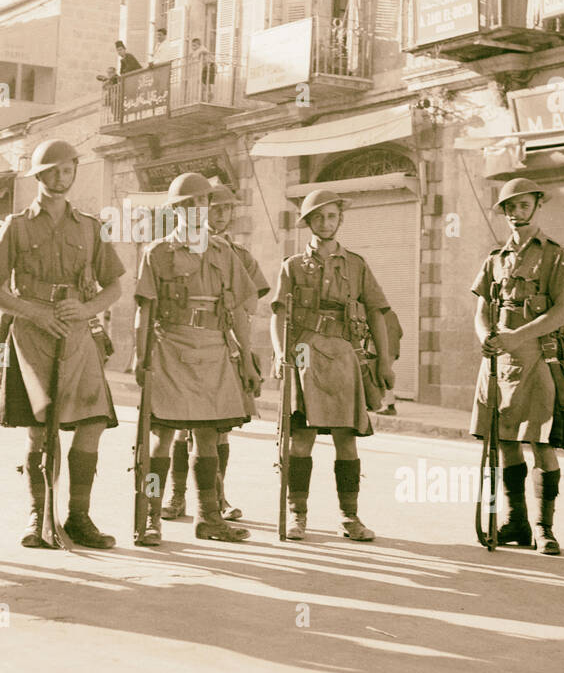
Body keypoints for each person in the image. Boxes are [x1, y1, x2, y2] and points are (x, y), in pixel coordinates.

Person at [0, 139, 125, 550]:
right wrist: (33, 313)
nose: (61, 178)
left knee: (93, 423)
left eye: (67, 171)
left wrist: (88, 308)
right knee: (40, 431)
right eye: (53, 171)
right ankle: (38, 515)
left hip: (78, 334)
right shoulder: (18, 225)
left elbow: (113, 284)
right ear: (39, 176)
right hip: (33, 333)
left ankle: (79, 517)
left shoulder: (90, 226)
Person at [133, 172, 261, 546]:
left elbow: (237, 310)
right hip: (170, 349)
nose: (195, 209)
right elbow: (145, 310)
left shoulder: (224, 252)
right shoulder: (157, 253)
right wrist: (141, 359)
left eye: (201, 203)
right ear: (175, 210)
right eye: (186, 204)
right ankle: (150, 517)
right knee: (161, 440)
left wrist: (248, 359)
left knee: (208, 438)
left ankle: (208, 517)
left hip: (215, 349)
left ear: (207, 206)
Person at [470, 177, 564, 556]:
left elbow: (563, 310)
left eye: (523, 206)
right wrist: (486, 334)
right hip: (501, 362)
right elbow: (482, 310)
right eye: (509, 208)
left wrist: (517, 337)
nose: (516, 214)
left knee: (541, 442)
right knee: (504, 443)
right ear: (503, 213)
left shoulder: (554, 254)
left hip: (539, 358)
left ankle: (544, 527)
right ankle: (515, 521)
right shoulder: (494, 259)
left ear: (536, 206)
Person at [271, 189, 392, 541]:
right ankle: (298, 515)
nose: (326, 223)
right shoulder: (292, 266)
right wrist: (281, 353)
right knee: (302, 439)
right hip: (305, 352)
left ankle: (349, 517)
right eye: (319, 217)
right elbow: (279, 315)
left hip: (344, 354)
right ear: (308, 222)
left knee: (346, 439)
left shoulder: (356, 265)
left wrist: (384, 362)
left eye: (332, 216)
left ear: (340, 219)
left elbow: (377, 312)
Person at [161, 184, 269, 523]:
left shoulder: (237, 255)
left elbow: (249, 302)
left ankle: (217, 497)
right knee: (180, 427)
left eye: (225, 209)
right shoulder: (175, 247)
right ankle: (176, 496)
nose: (219, 213)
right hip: (183, 344)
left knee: (218, 427)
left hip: (225, 344)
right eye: (215, 207)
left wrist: (238, 335)